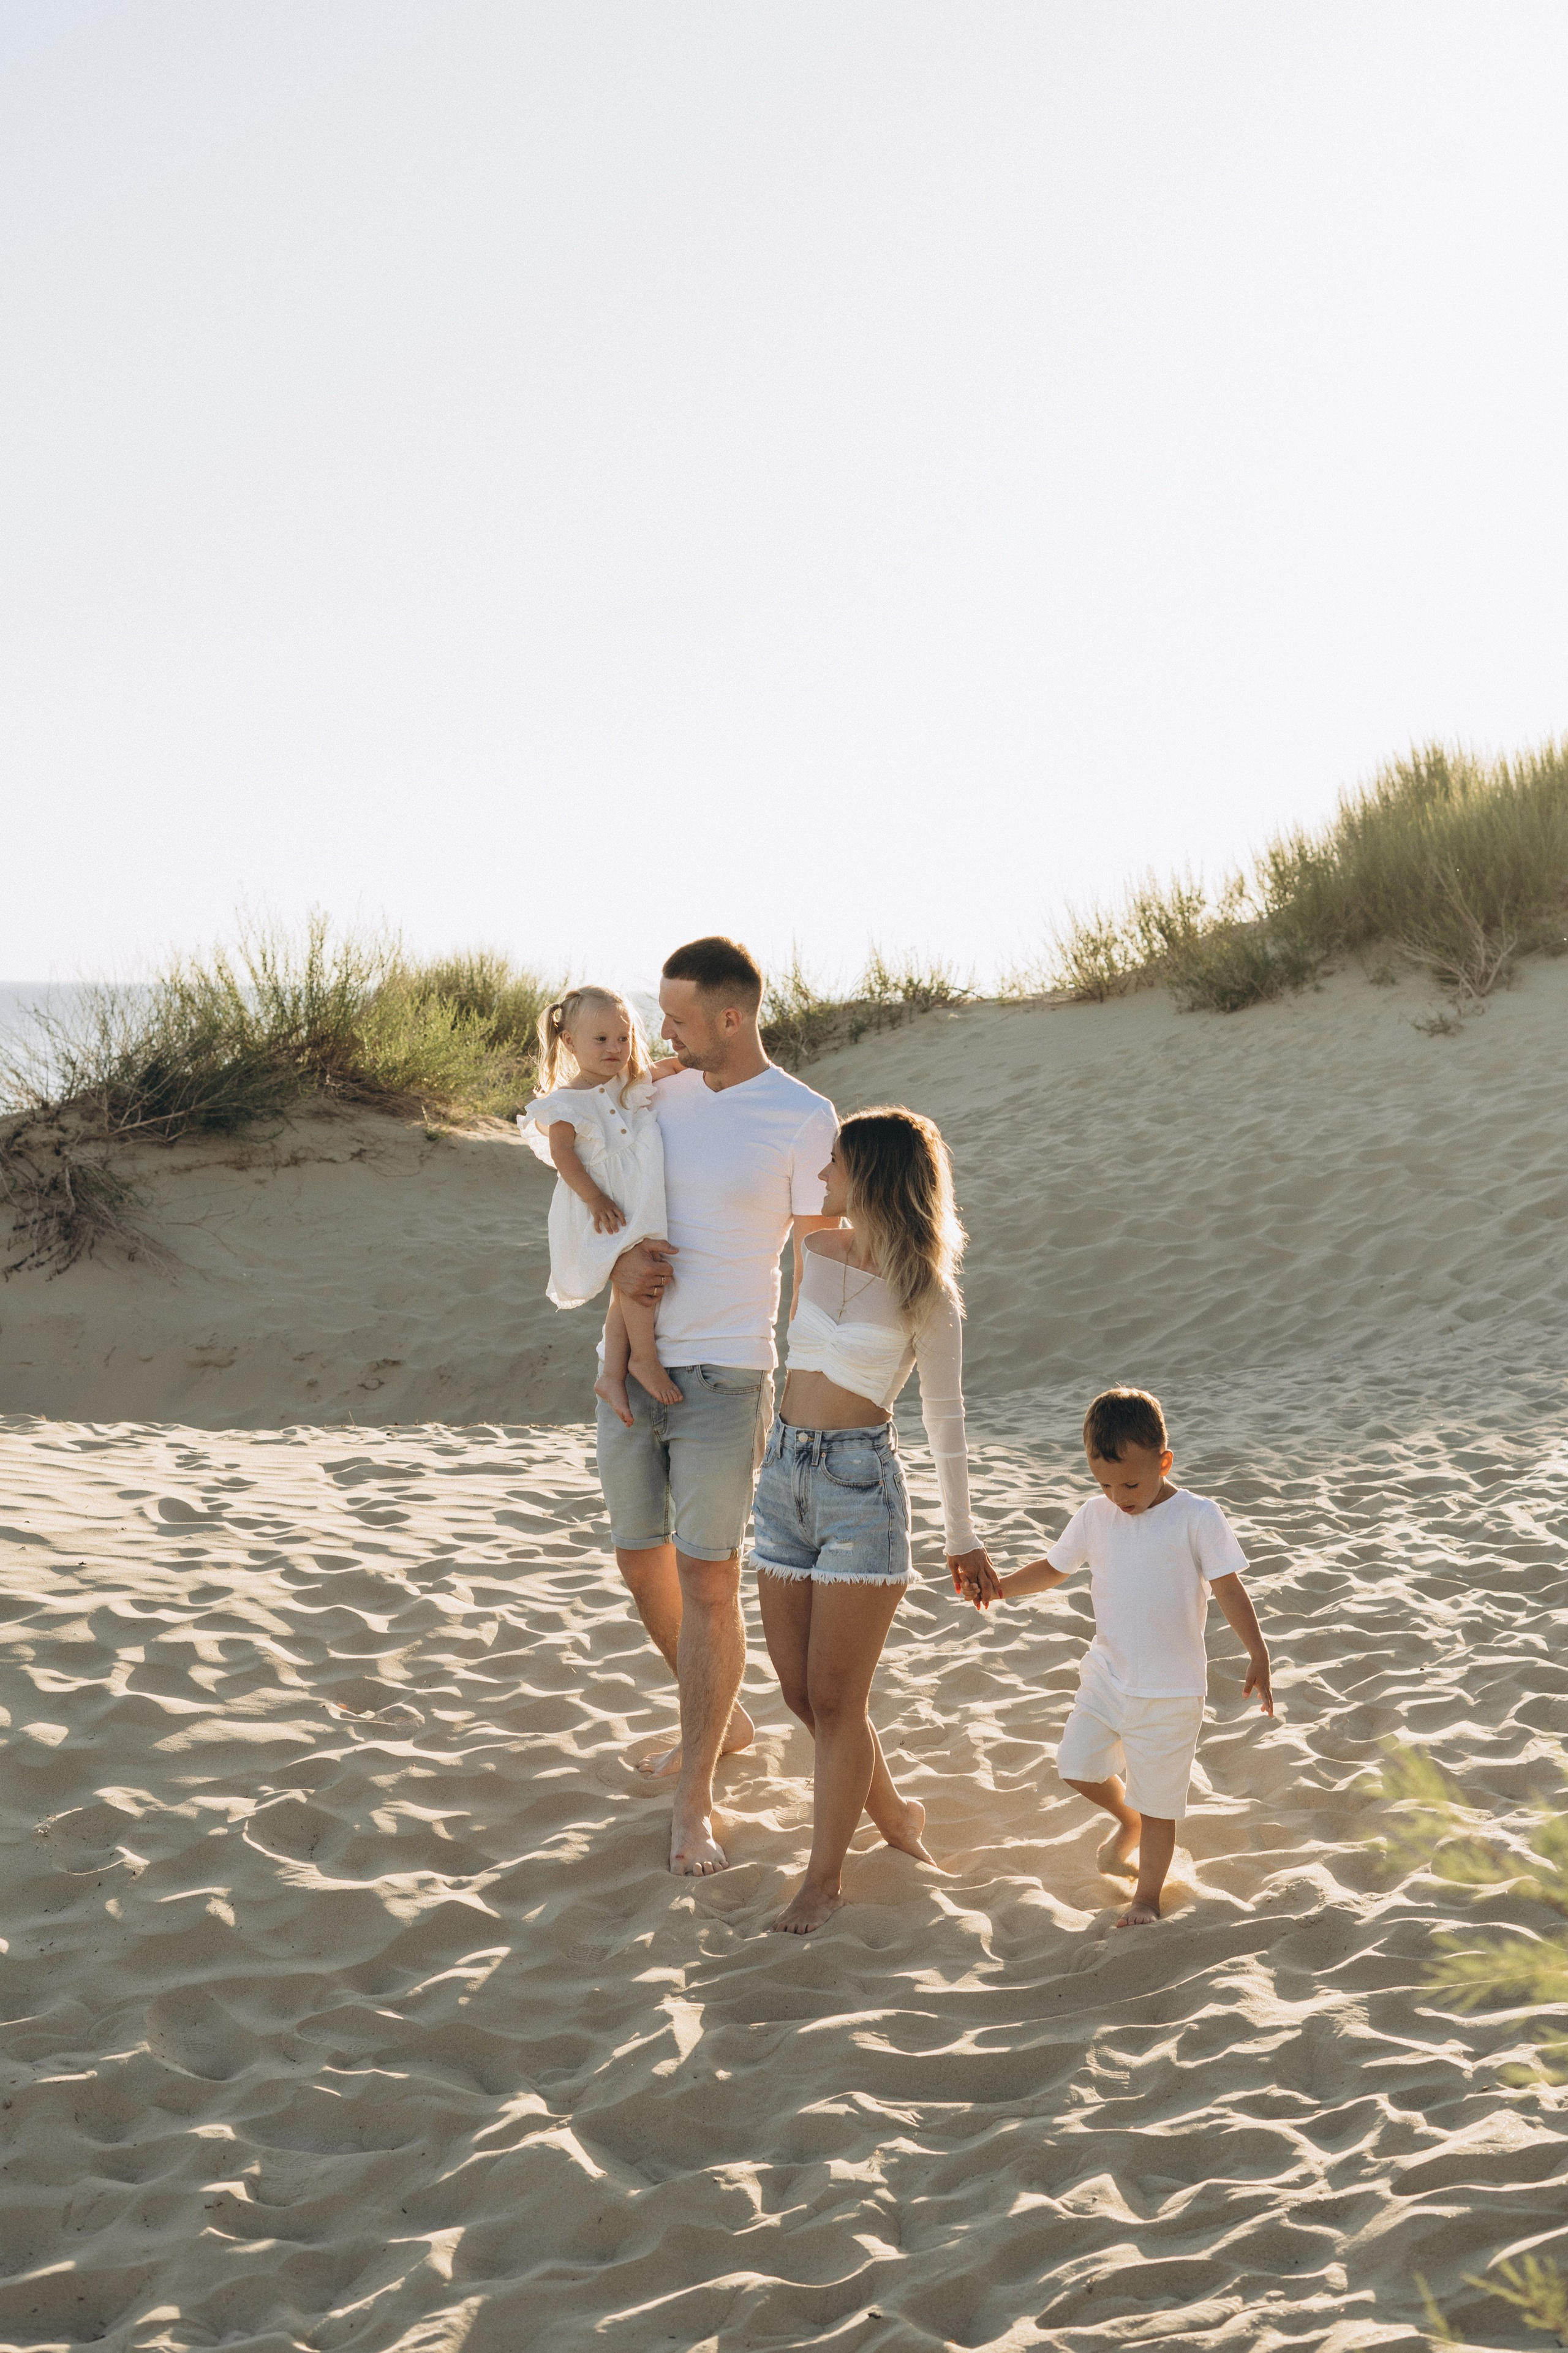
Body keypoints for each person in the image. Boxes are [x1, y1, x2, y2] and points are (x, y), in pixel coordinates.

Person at [605, 936, 840, 1877]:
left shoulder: (802, 1117)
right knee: (638, 1561)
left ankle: (693, 1794)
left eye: (678, 1017)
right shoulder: (654, 1095)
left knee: (709, 1580)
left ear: (732, 1018)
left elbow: (816, 1260)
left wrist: (808, 1388)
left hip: (731, 1376)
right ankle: (723, 1718)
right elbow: (599, 1198)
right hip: (629, 1363)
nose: (659, 1032)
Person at [752, 1107, 1000, 1933]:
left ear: (873, 1175)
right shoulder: (813, 1250)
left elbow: (947, 1421)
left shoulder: (929, 1297)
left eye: (836, 1164)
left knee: (835, 1695)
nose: (823, 1177)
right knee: (800, 1693)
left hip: (862, 1489)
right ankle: (894, 1815)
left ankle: (824, 1881)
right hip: (784, 1477)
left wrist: (960, 1533)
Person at [967, 1384, 1272, 1929]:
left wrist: (1257, 1651)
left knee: (1161, 1805)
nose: (1119, 1496)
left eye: (1131, 1482)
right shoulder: (1095, 1514)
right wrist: (1003, 1589)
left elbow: (1228, 1587)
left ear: (1164, 1460)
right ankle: (1125, 1821)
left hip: (1172, 1690)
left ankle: (1147, 1898)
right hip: (1108, 1674)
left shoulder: (1198, 1516)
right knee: (1076, 1764)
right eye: (1104, 1483)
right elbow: (1056, 1567)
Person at [516, 987, 682, 1425]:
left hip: (633, 1199)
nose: (615, 1049)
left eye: (623, 1038)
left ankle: (612, 1372)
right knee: (640, 1275)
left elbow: (666, 1067)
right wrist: (596, 1199)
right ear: (569, 1042)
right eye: (601, 1039)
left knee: (627, 1289)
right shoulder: (564, 1103)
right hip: (603, 1205)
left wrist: (693, 1059)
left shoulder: (628, 1083)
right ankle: (643, 1358)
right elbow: (564, 1157)